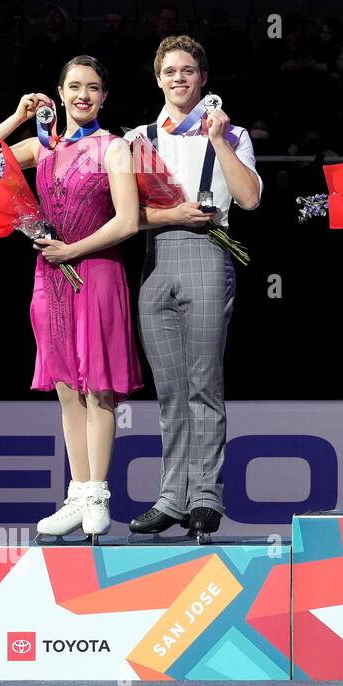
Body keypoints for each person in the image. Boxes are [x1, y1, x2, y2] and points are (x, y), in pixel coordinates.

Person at [0, 56, 141, 538]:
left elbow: (127, 221)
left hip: (98, 270)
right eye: (75, 86)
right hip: (50, 278)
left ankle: (98, 491)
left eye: (94, 87)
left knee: (99, 387)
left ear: (105, 96)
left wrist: (71, 250)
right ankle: (78, 493)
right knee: (66, 387)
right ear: (60, 93)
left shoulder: (116, 148)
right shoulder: (43, 147)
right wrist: (18, 117)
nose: (84, 95)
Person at [126, 36, 261, 538]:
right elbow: (125, 215)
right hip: (156, 259)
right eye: (170, 71)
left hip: (209, 253)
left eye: (188, 71)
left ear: (203, 78)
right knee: (169, 391)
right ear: (158, 78)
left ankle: (206, 495)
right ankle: (170, 498)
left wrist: (220, 141)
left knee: (204, 383)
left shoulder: (235, 132)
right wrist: (171, 213)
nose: (179, 78)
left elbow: (248, 200)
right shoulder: (139, 138)